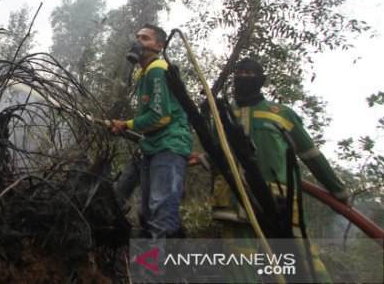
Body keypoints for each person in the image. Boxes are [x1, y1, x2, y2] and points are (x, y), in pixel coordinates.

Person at [212, 57, 351, 283]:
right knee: (239, 259)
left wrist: (338, 191)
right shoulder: (225, 115)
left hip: (279, 201)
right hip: (234, 198)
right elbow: (217, 152)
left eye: (249, 74)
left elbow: (311, 155)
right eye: (240, 73)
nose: (243, 78)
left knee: (301, 257)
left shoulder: (281, 113)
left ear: (261, 80)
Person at [109, 23, 193, 253]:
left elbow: (161, 116)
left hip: (169, 146)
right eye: (137, 37)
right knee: (145, 211)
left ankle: (163, 272)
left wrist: (126, 124)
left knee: (160, 209)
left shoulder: (158, 69)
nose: (138, 41)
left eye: (145, 38)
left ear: (159, 46)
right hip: (153, 146)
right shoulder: (143, 72)